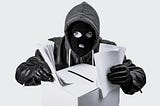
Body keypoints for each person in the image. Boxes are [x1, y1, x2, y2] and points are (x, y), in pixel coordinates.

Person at [15, 2, 146, 95]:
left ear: (95, 34)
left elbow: (138, 73)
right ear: (68, 32)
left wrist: (128, 77)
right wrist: (35, 72)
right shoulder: (53, 48)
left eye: (88, 34)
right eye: (76, 34)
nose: (81, 40)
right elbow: (21, 72)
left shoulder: (108, 49)